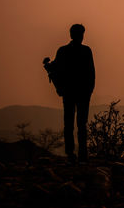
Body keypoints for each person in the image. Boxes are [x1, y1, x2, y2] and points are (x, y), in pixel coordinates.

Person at [48, 24, 95, 164]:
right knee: (76, 124)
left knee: (73, 124)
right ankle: (77, 154)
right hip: (77, 93)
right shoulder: (83, 51)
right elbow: (91, 74)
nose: (81, 37)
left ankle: (76, 154)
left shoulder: (65, 51)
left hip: (74, 92)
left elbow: (91, 74)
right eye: (80, 34)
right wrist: (89, 90)